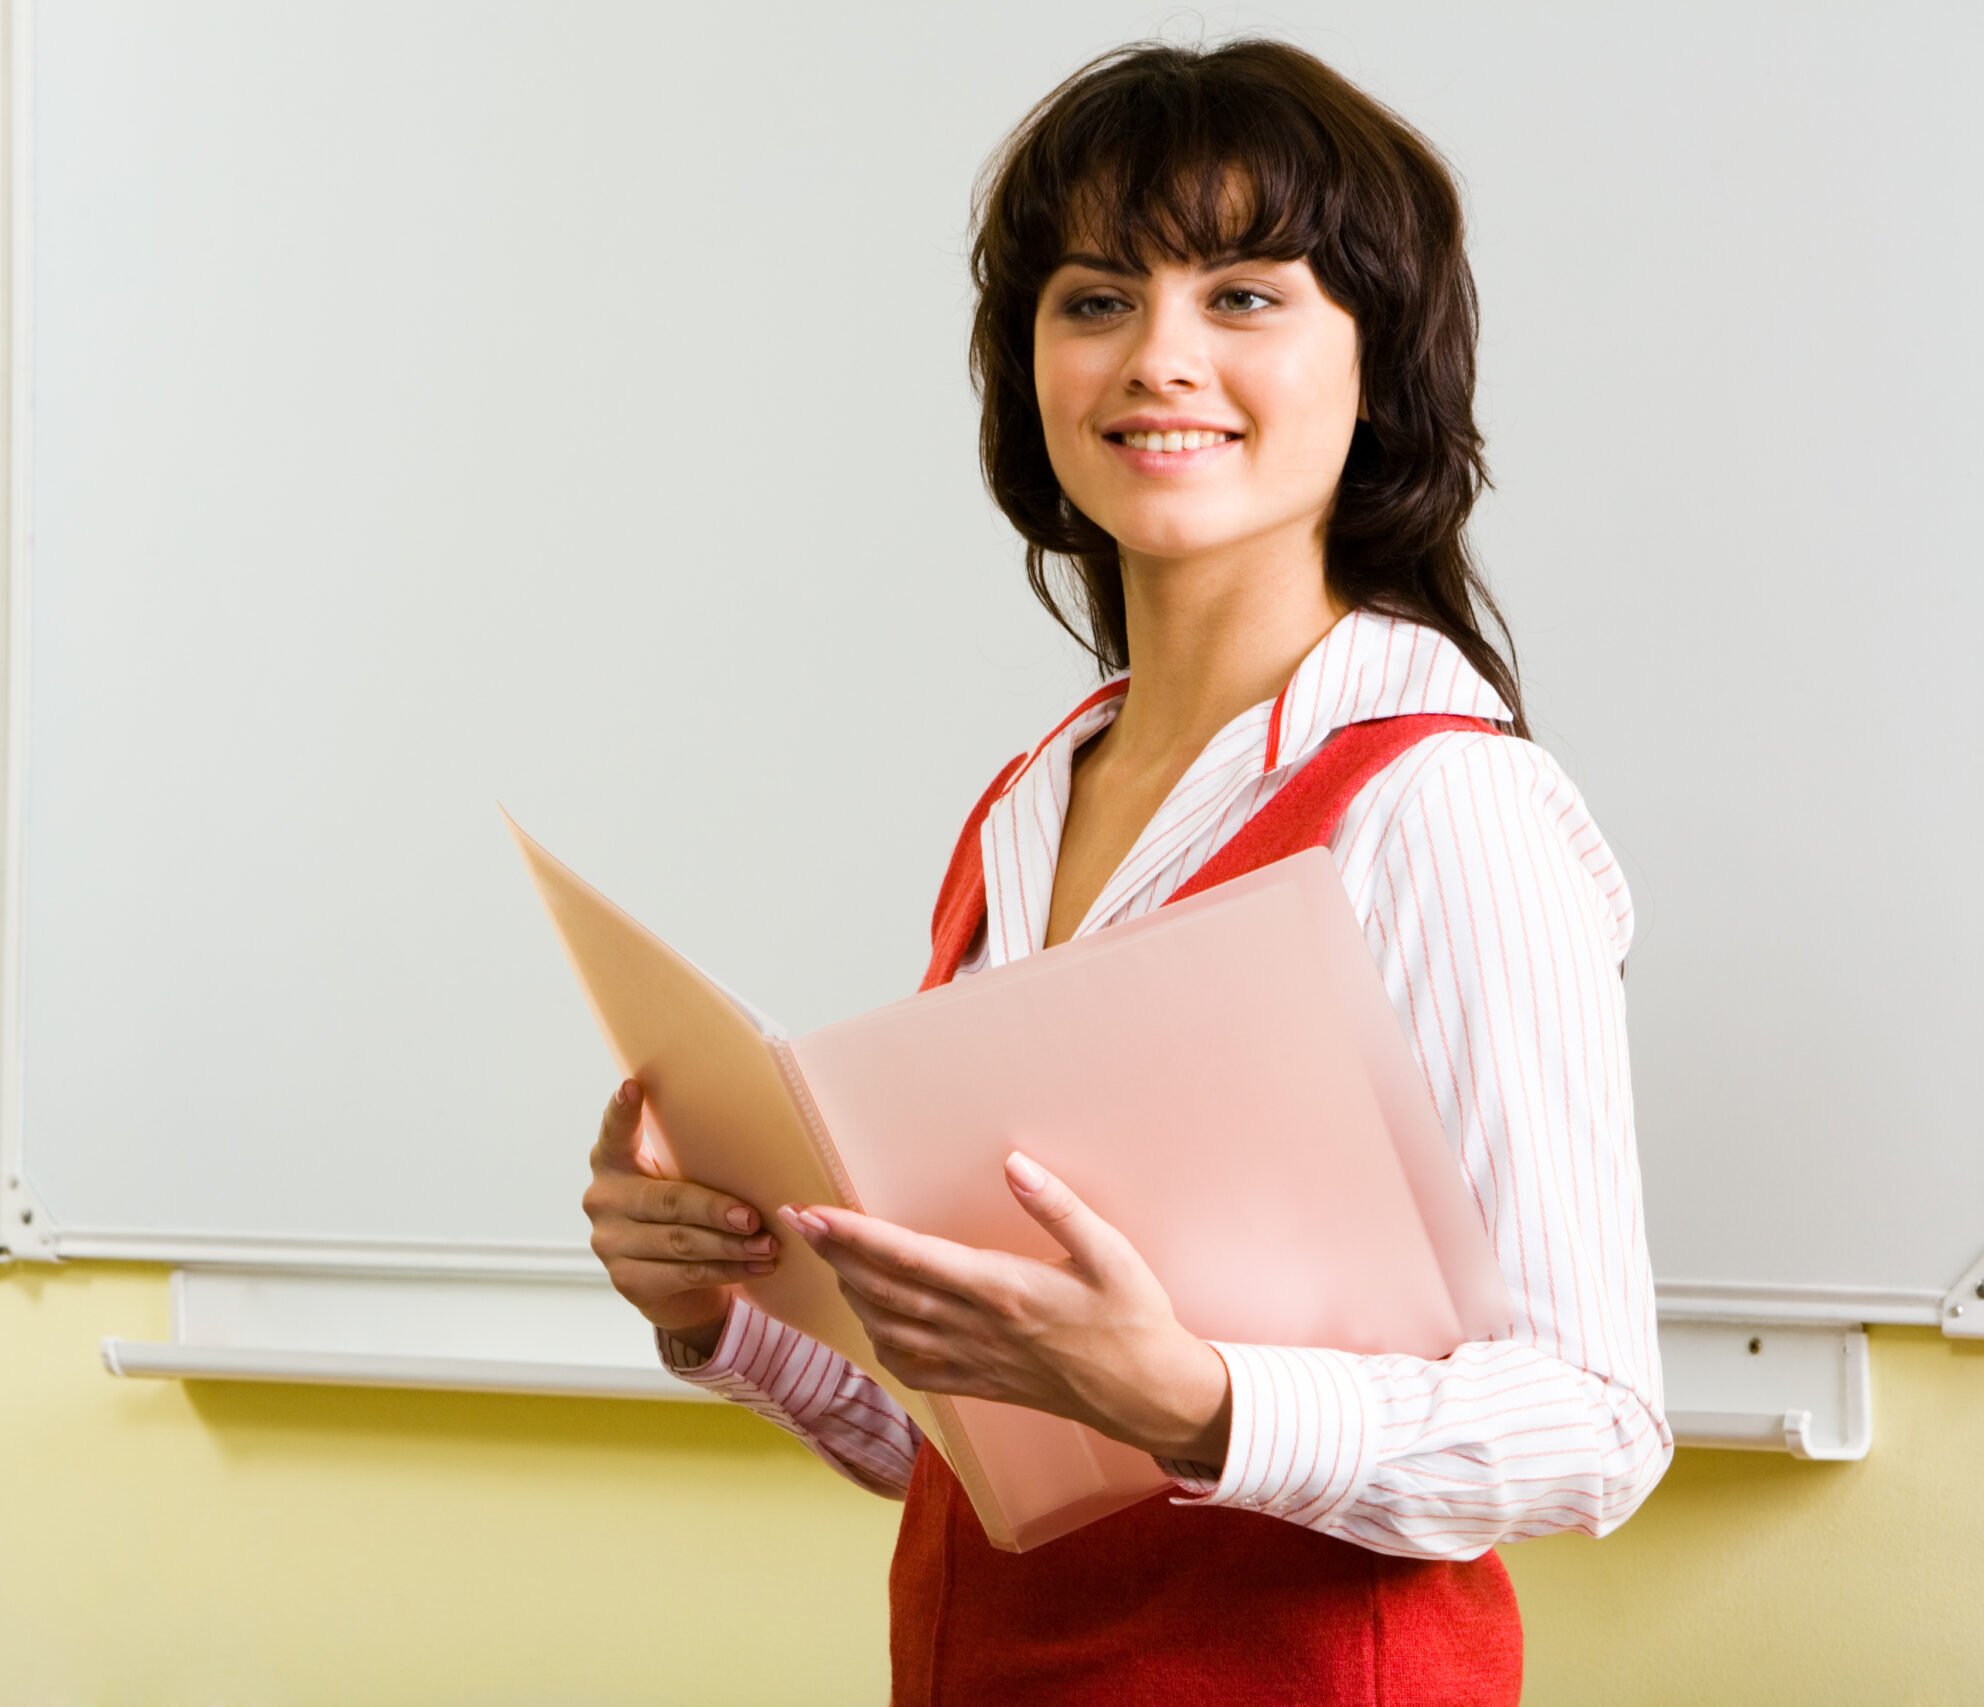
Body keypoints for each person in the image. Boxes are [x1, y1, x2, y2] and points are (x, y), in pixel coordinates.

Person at [579, 37, 1668, 1704]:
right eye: (1096, 300)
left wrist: (1192, 1400)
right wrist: (717, 1305)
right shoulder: (1028, 805)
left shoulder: (1442, 808)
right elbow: (986, 1445)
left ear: (1378, 368)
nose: (1158, 358)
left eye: (1245, 297)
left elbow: (1593, 1424)